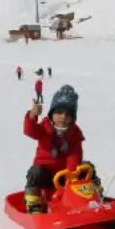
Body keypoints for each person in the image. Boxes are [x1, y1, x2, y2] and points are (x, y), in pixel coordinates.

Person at [22, 85, 91, 214]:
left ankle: (90, 196)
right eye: (59, 112)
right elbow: (29, 130)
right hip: (45, 176)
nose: (63, 117)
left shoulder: (74, 134)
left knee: (86, 167)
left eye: (68, 114)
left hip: (64, 176)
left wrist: (70, 180)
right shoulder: (44, 127)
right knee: (35, 172)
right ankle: (34, 202)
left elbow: (74, 156)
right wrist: (32, 115)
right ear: (52, 114)